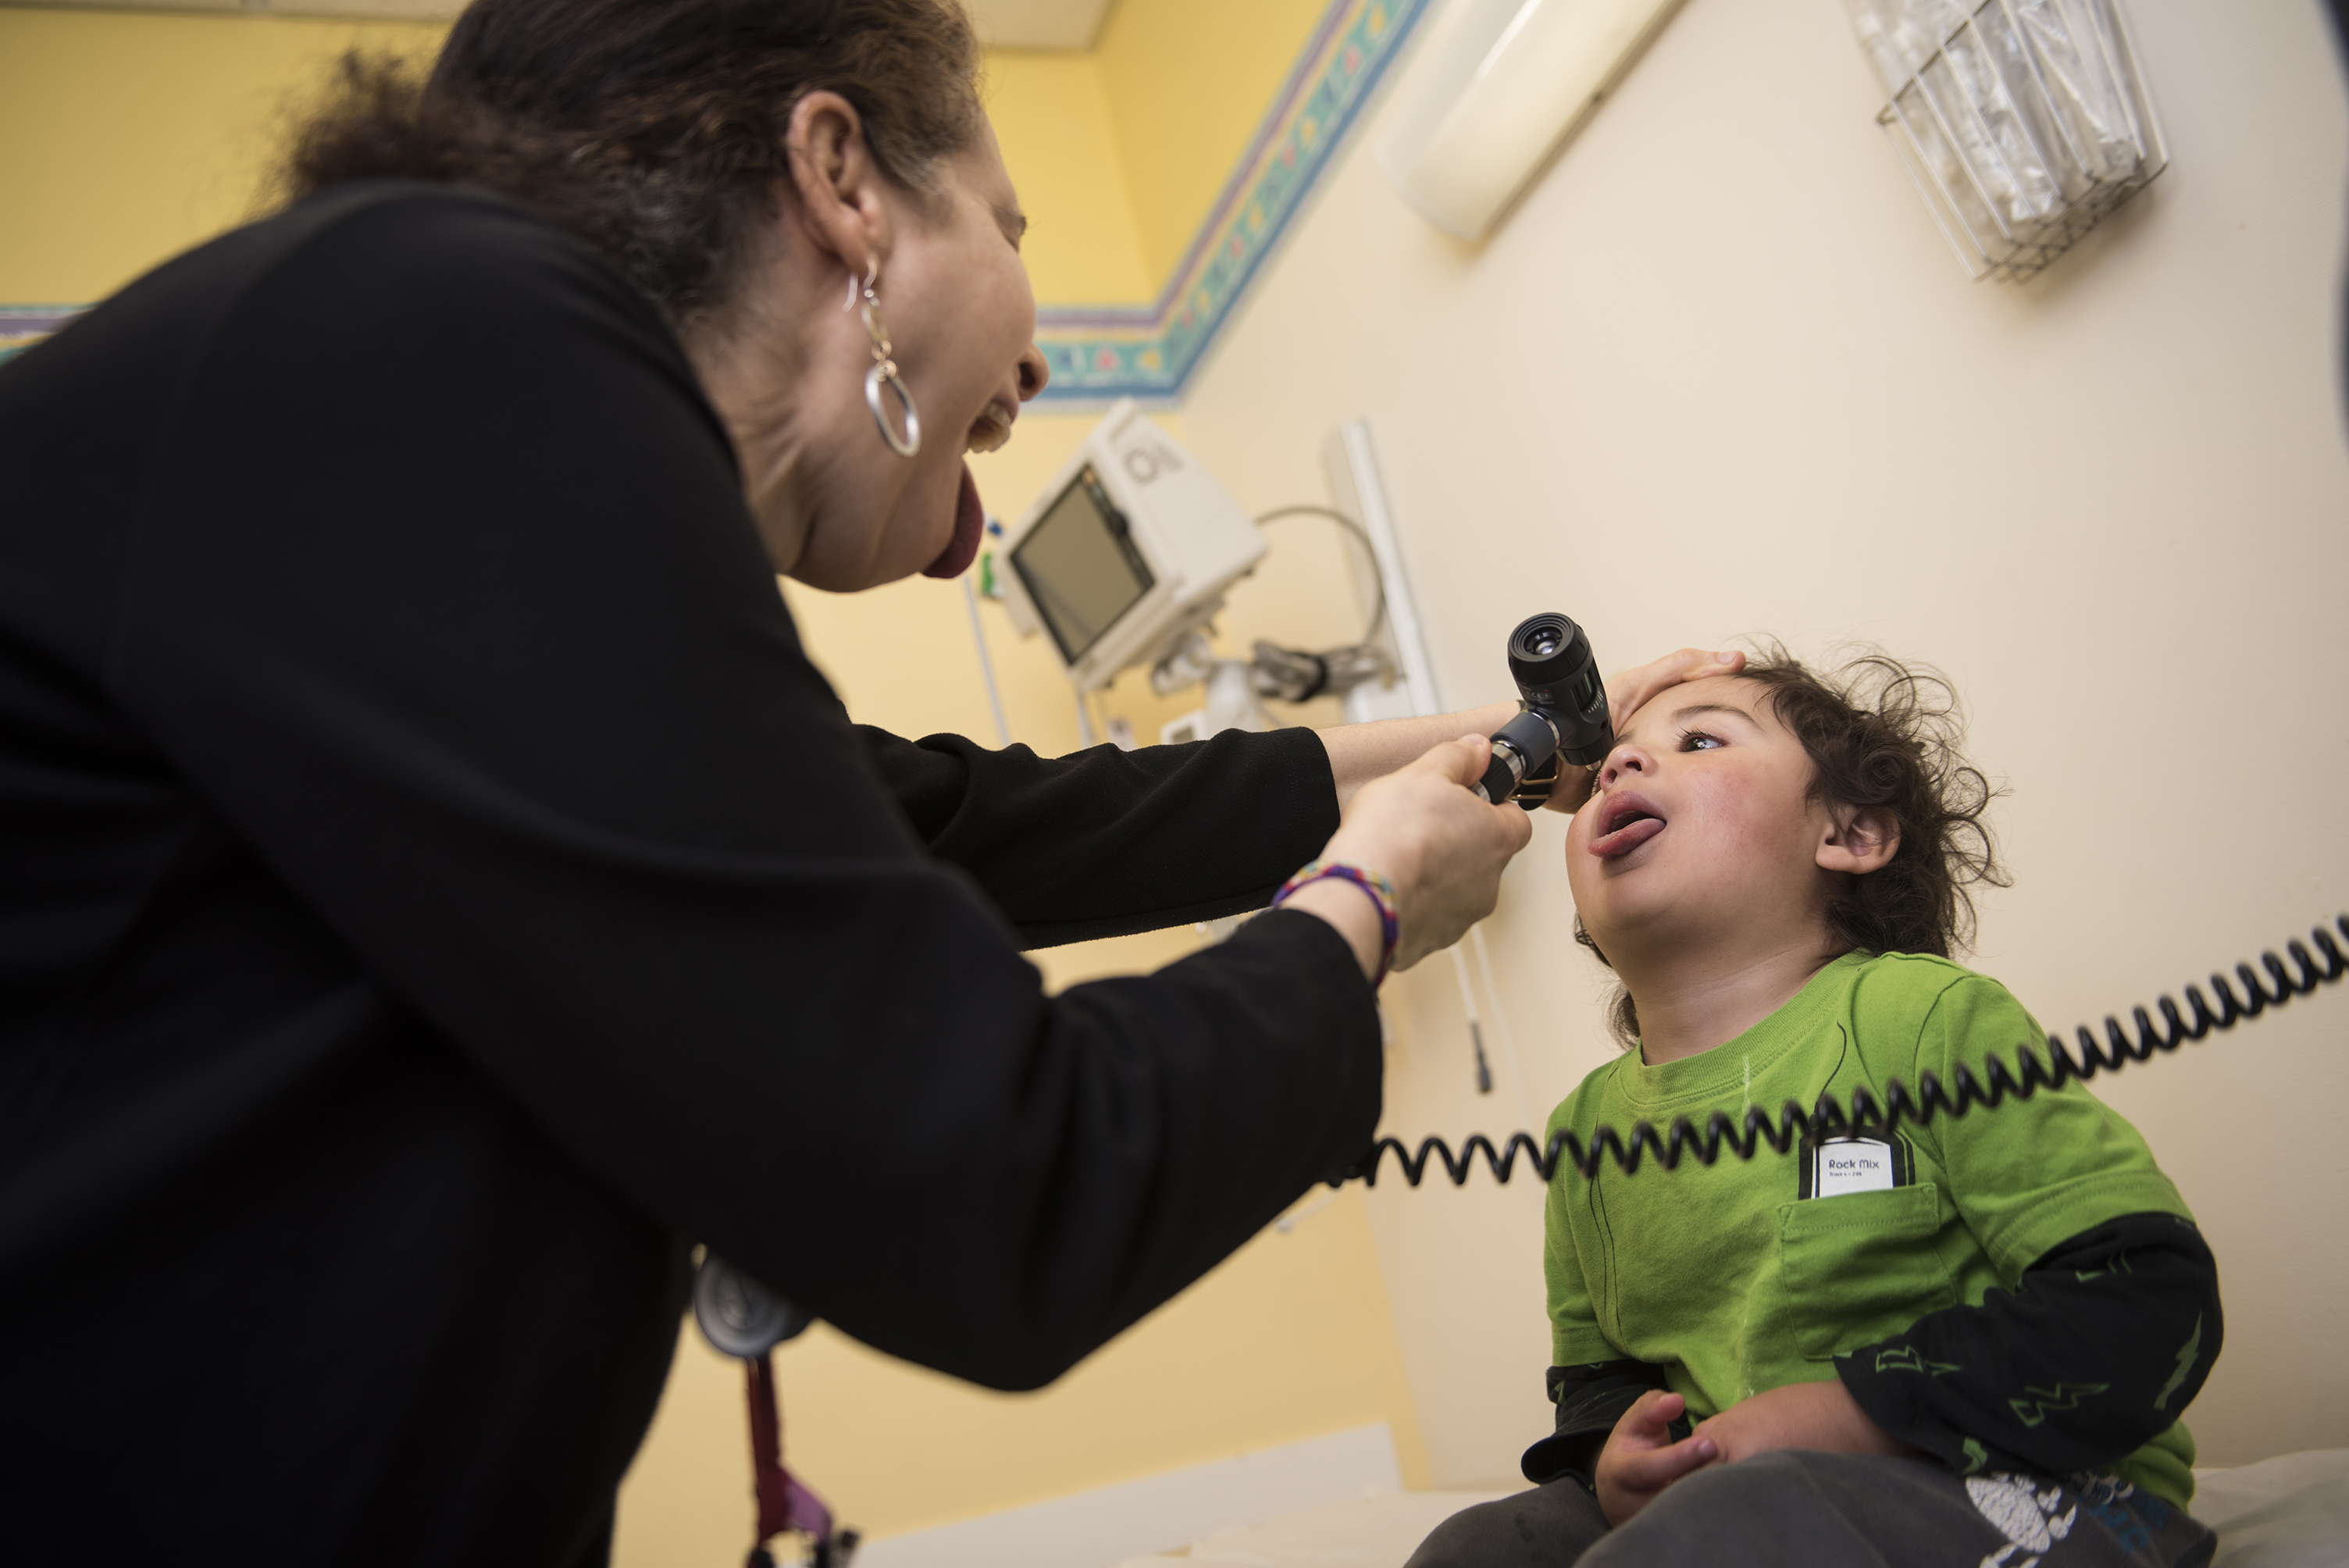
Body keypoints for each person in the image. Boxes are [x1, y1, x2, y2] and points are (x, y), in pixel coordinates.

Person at [0, 0, 1746, 1559]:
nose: (1042, 355)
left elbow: (999, 821)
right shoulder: (457, 335)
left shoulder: (415, 435)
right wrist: (1360, 912)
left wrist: (1523, 756)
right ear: (842, 178)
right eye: (1006, 222)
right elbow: (998, 1182)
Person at [1405, 651, 2223, 1568]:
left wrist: (1854, 1410)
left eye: (1700, 738)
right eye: (1609, 763)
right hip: (1729, 1504)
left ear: (1850, 833)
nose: (1622, 766)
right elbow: (1598, 1381)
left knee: (1730, 1526)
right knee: (1477, 1549)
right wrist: (1610, 1458)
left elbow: (2147, 1301)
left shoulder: (1922, 1020)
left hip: (2027, 1493)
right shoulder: (1587, 1131)